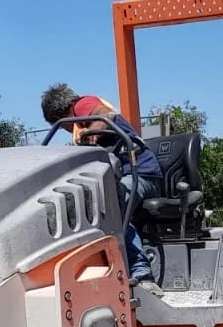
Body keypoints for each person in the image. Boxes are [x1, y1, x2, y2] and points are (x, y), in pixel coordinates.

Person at [40, 83, 159, 286]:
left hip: (143, 174)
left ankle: (141, 271)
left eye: (62, 125)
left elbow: (106, 114)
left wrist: (92, 130)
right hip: (123, 177)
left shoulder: (81, 106)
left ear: (61, 114)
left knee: (112, 207)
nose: (68, 129)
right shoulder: (82, 122)